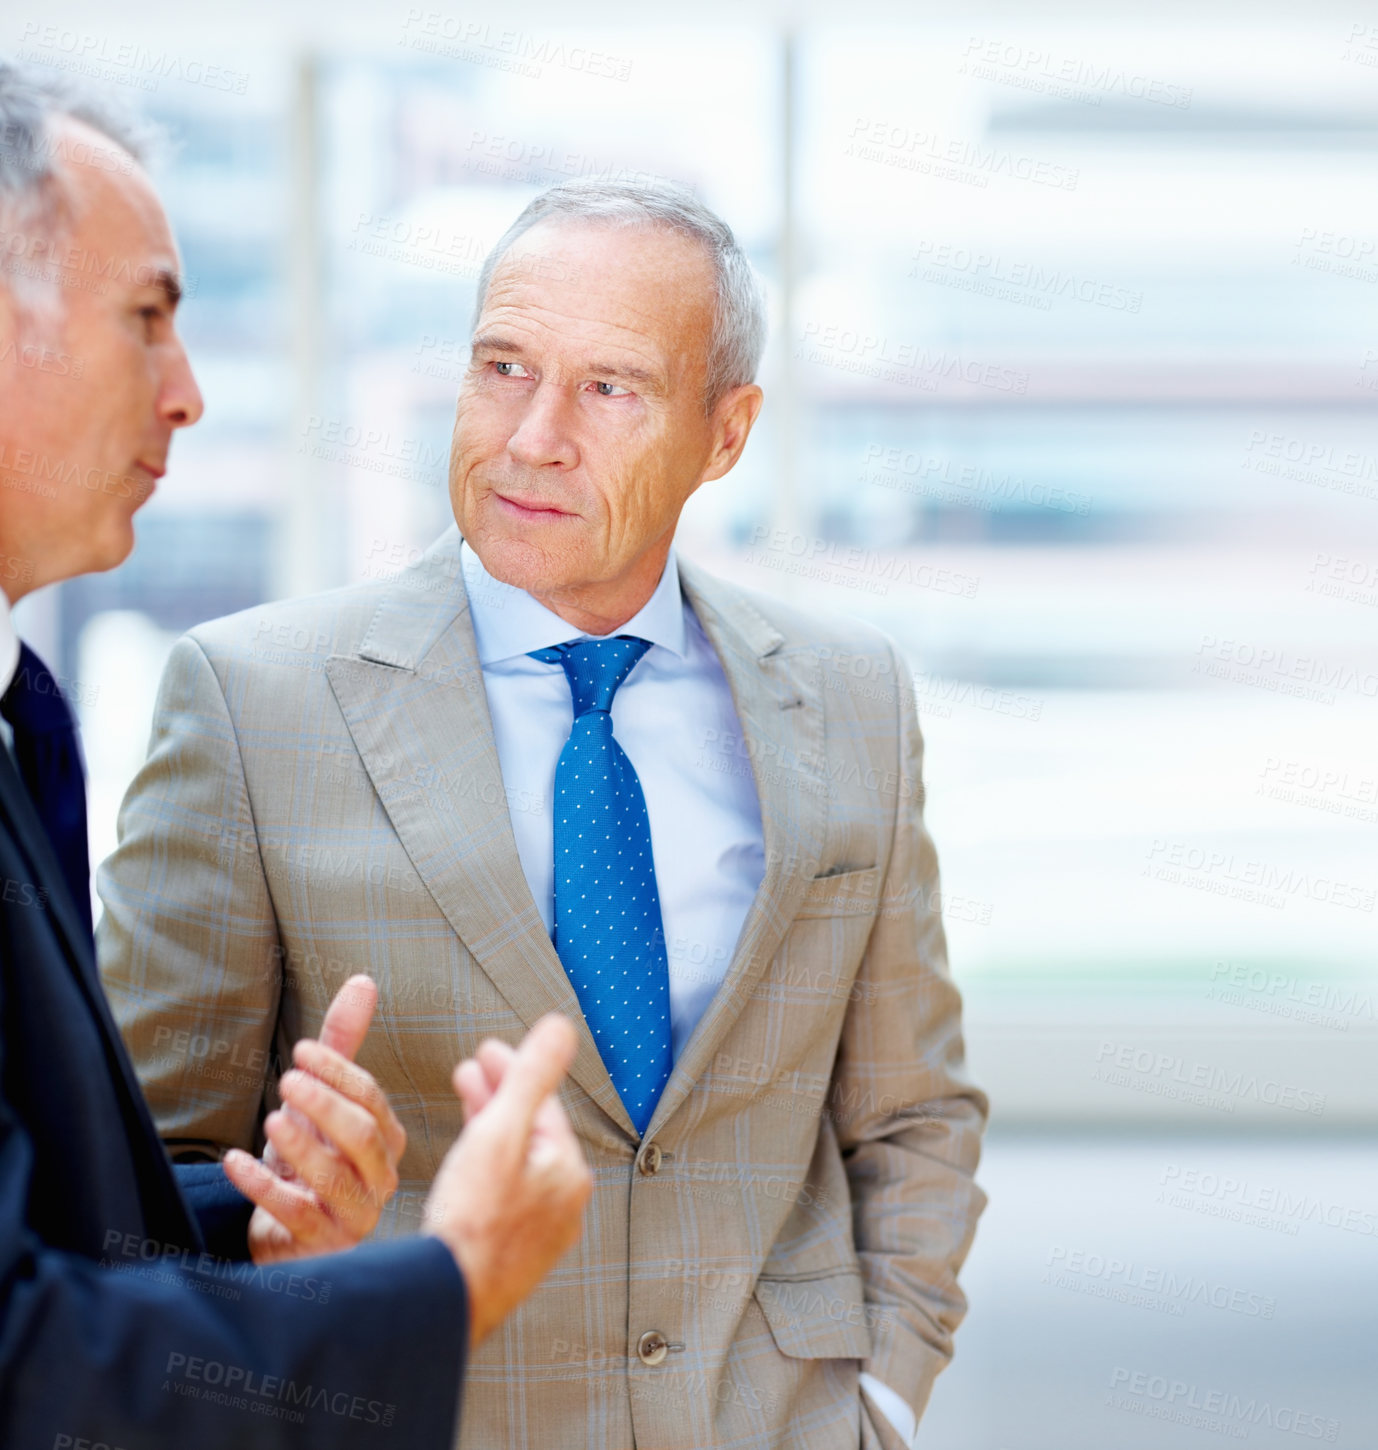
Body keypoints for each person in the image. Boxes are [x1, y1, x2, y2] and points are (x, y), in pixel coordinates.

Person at [101, 176, 988, 1449]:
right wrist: (279, 1241)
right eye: (503, 365)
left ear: (724, 433)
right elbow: (141, 1174)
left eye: (608, 388)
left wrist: (883, 1401)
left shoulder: (848, 697)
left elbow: (911, 1112)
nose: (532, 435)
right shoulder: (255, 704)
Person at [0, 61, 591, 1449]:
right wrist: (445, 1282)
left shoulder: (24, 718)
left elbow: (46, 1212)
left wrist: (249, 1217)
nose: (189, 393)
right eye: (146, 318)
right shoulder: (232, 697)